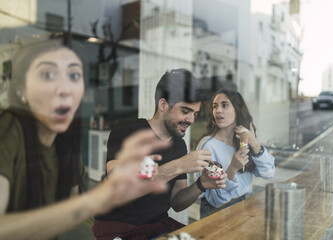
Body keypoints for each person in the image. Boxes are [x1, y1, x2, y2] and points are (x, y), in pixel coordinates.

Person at [0, 39, 170, 240]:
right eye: (48, 74)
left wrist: (115, 188)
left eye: (74, 75)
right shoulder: (7, 129)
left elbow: (71, 208)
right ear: (20, 89)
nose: (65, 89)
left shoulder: (65, 140)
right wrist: (97, 198)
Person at [93, 69, 227, 240]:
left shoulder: (179, 145)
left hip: (157, 226)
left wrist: (201, 185)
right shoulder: (126, 130)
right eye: (185, 111)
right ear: (163, 105)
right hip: (119, 227)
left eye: (194, 113)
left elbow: (177, 203)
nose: (191, 120)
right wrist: (179, 166)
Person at [196, 89, 275, 218]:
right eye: (215, 107)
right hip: (217, 213)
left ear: (237, 110)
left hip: (244, 205)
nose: (218, 110)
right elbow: (217, 200)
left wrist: (254, 143)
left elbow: (268, 173)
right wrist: (232, 168)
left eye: (225, 105)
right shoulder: (208, 146)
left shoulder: (243, 140)